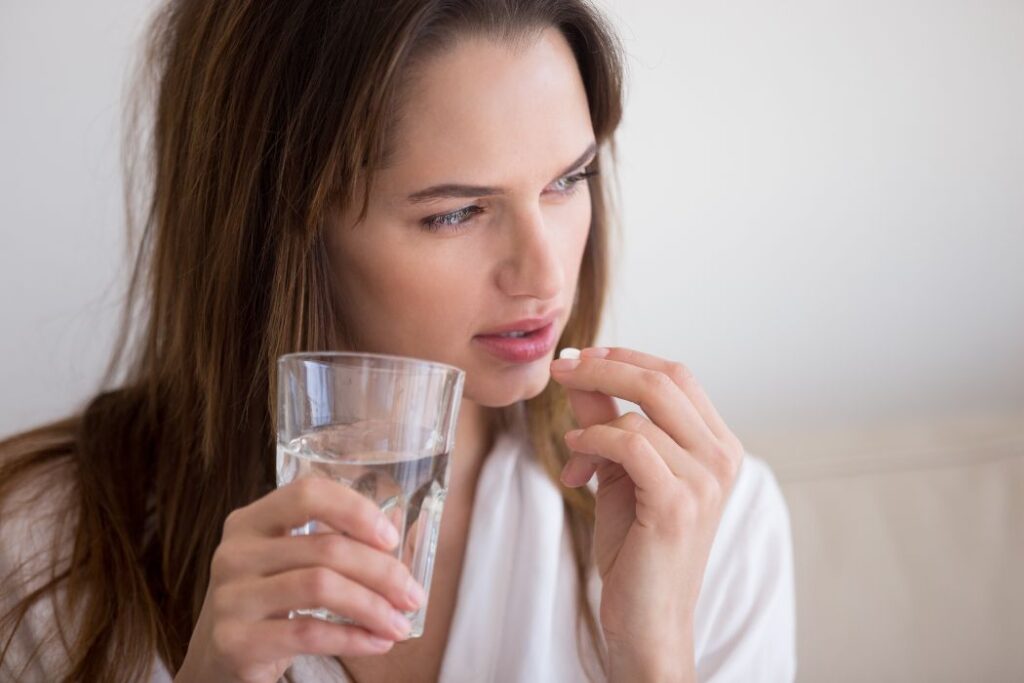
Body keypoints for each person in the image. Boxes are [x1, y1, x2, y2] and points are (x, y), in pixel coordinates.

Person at [0, 1, 796, 681]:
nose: (544, 275)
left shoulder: (704, 523)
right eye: (455, 212)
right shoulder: (45, 551)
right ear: (285, 233)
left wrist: (653, 661)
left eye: (567, 180)